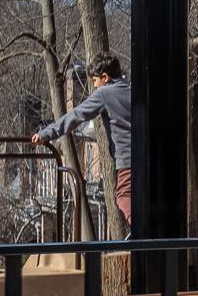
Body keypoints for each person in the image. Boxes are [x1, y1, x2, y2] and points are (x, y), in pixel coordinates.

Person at [34, 53, 134, 227]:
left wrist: (46, 134)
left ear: (105, 77)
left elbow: (76, 116)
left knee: (124, 196)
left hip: (127, 158)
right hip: (147, 157)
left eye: (95, 81)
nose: (94, 86)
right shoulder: (132, 89)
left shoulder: (104, 93)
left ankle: (143, 233)